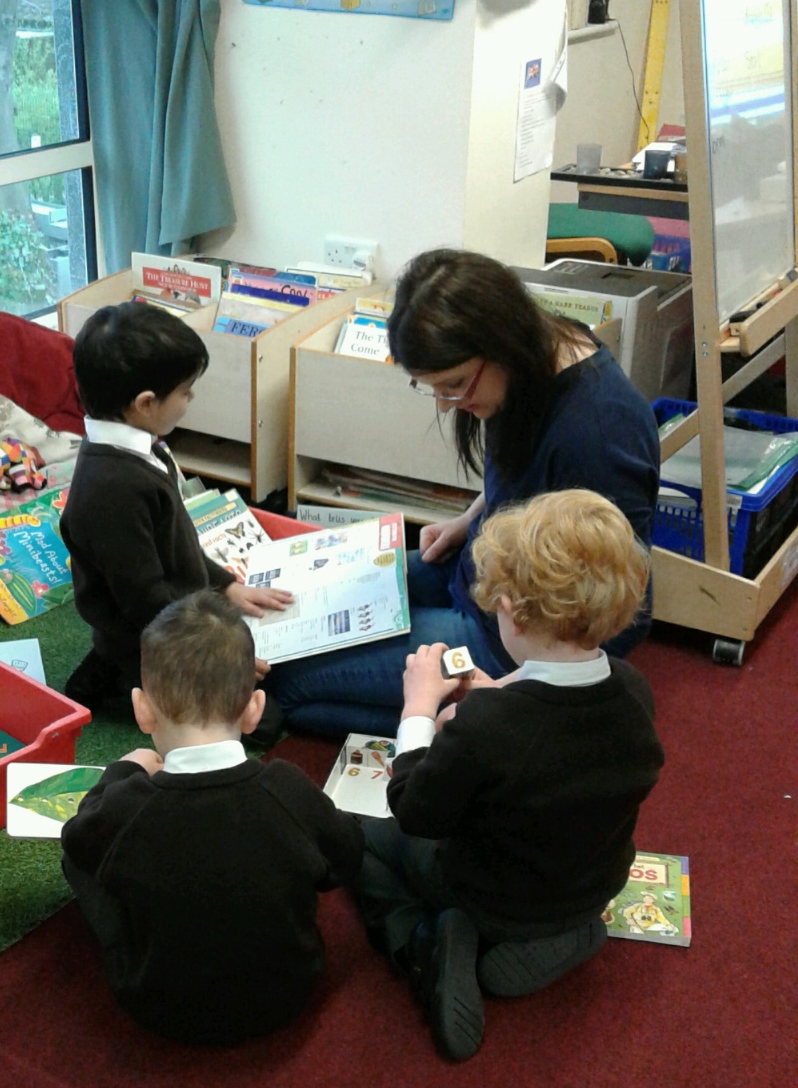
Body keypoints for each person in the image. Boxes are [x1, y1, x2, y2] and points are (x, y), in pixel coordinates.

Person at [269, 248, 661, 736]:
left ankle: (473, 727)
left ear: (500, 345)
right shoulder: (537, 357)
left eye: (453, 384)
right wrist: (469, 519)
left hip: (512, 635)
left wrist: (521, 693)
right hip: (482, 576)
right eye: (432, 387)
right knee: (301, 616)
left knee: (289, 684)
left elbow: (627, 604)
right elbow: (521, 469)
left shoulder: (600, 431)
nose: (445, 404)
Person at [355, 489, 665, 1063]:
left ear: (513, 612)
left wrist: (417, 710)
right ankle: (565, 933)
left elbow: (415, 809)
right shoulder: (634, 691)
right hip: (588, 886)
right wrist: (498, 693)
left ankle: (424, 944)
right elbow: (554, 732)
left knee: (363, 841)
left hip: (487, 894)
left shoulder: (487, 727)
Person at [61, 591, 364, 1045]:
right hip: (287, 994)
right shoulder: (286, 788)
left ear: (142, 709)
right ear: (254, 710)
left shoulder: (127, 807)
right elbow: (348, 855)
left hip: (156, 1007)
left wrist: (122, 771)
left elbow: (78, 840)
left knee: (76, 857)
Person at [60, 299, 292, 712]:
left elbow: (177, 548)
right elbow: (145, 602)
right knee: (271, 710)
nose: (191, 398)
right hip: (154, 647)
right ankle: (107, 684)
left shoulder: (138, 446)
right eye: (185, 391)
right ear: (145, 404)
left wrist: (227, 586)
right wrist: (216, 652)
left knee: (280, 682)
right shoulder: (112, 490)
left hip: (183, 614)